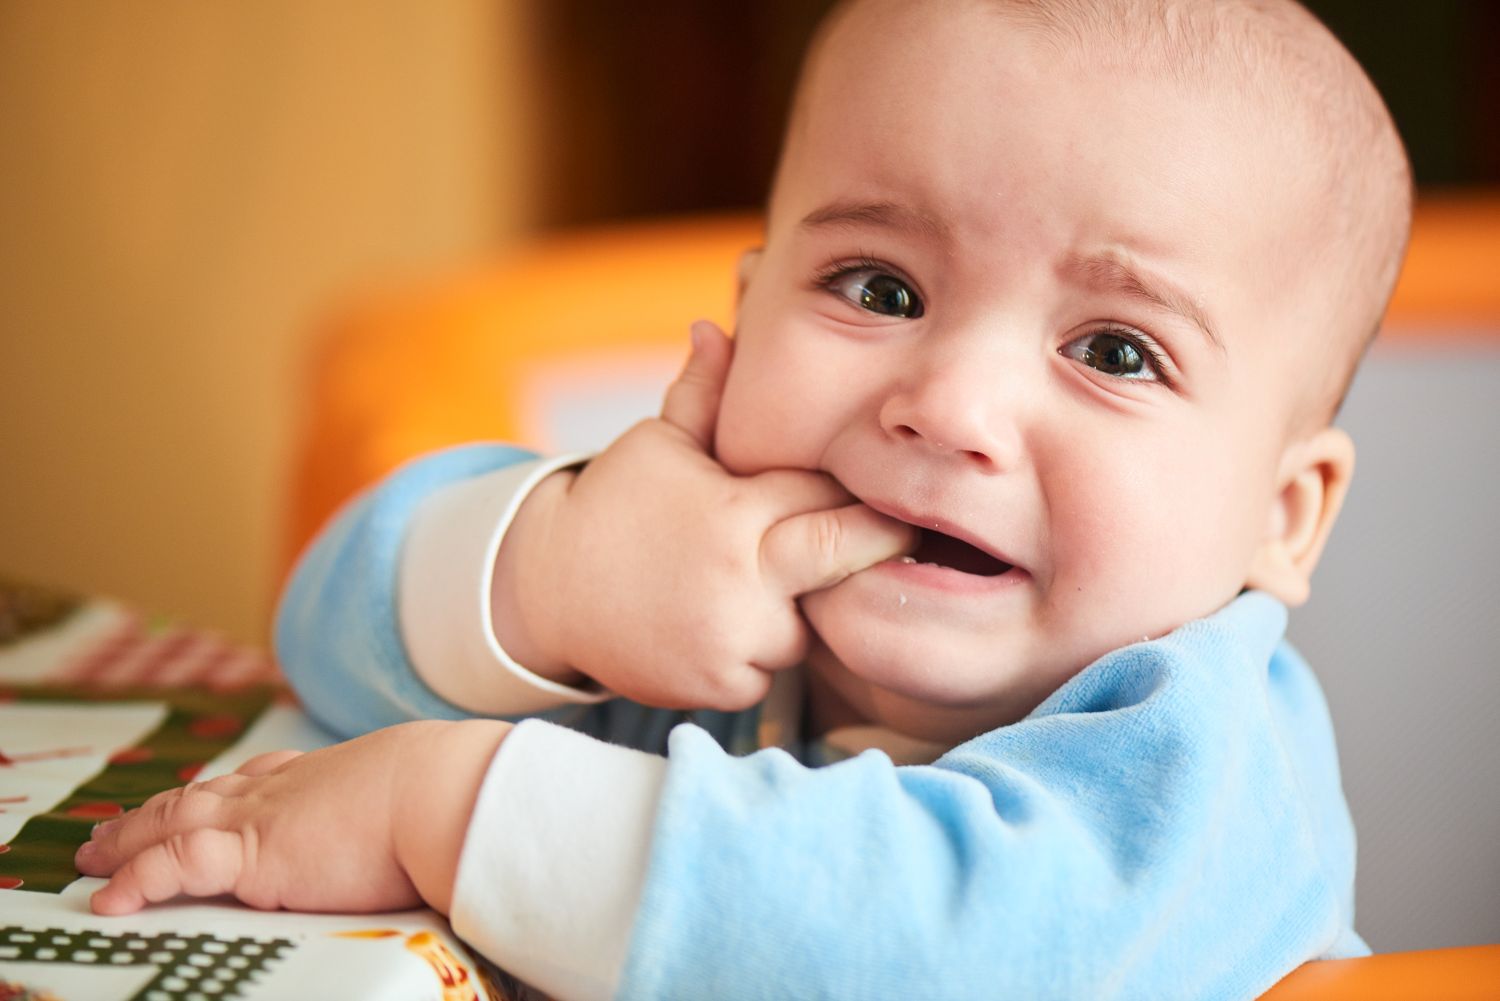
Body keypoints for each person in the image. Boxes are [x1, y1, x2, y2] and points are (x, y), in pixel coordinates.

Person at [74, 0, 1413, 997]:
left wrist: (446, 804)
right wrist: (549, 575)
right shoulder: (697, 596)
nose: (947, 404)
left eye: (1115, 350)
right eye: (878, 287)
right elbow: (328, 638)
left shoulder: (1207, 759)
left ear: (1282, 515)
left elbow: (950, 946)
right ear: (744, 311)